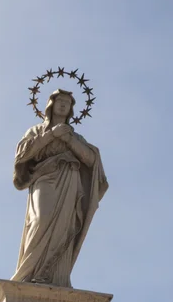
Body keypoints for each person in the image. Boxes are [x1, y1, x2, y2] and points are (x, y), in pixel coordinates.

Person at [11, 88, 108, 287]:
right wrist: (51, 135)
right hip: (44, 178)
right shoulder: (37, 131)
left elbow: (91, 159)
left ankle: (50, 273)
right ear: (51, 105)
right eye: (60, 101)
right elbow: (23, 154)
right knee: (40, 220)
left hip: (69, 180)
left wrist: (68, 139)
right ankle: (28, 272)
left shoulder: (74, 136)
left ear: (71, 109)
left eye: (68, 102)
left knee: (64, 227)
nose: (63, 104)